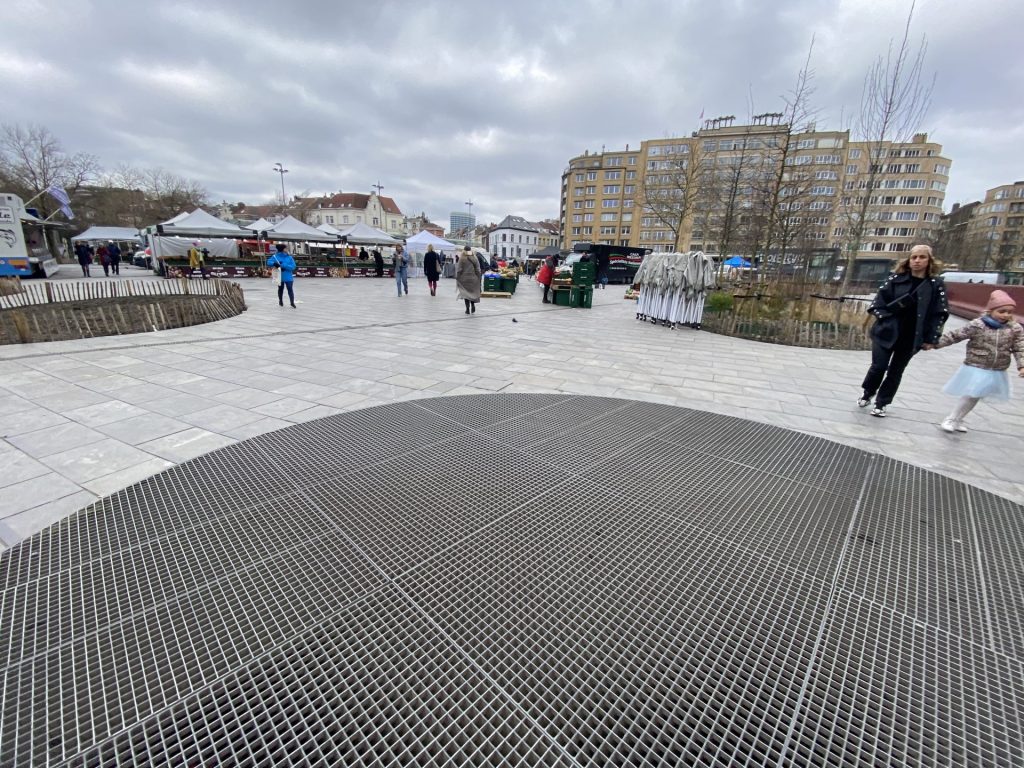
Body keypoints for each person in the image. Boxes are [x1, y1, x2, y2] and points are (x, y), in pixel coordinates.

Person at [859, 243, 948, 417]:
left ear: (929, 260)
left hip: (912, 335)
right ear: (908, 259)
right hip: (887, 331)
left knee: (896, 371)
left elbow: (939, 313)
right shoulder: (895, 279)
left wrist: (932, 338)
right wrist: (885, 317)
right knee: (878, 366)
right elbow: (877, 303)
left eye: (922, 257)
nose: (917, 261)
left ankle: (882, 402)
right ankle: (868, 392)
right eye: (914, 257)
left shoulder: (935, 285)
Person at [932, 289, 1024, 433]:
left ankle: (958, 419)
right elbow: (956, 335)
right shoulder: (978, 324)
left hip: (996, 368)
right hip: (977, 365)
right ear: (991, 310)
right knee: (972, 394)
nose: (1006, 315)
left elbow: (1020, 347)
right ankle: (952, 418)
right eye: (1002, 311)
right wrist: (934, 343)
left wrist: (1022, 366)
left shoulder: (1014, 328)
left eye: (1009, 312)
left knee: (976, 396)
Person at [267, 243, 297, 307]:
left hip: (288, 276)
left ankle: (292, 302)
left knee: (290, 288)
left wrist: (284, 265)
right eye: (286, 248)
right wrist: (274, 263)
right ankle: (280, 301)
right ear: (283, 249)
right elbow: (268, 262)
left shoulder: (289, 257)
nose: (287, 249)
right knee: (280, 289)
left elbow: (293, 266)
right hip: (279, 276)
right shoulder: (275, 256)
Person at [456, 244, 482, 314]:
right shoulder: (475, 257)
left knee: (466, 294)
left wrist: (457, 277)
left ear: (464, 251)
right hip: (473, 278)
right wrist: (479, 277)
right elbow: (478, 269)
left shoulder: (462, 258)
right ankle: (473, 305)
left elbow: (459, 269)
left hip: (464, 279)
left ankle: (467, 309)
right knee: (472, 293)